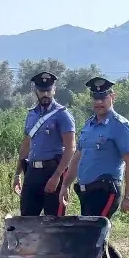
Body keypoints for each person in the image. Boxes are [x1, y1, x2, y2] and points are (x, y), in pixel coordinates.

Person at [61, 76, 129, 258]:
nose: (99, 102)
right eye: (95, 98)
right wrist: (65, 184)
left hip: (107, 190)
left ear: (112, 97)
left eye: (103, 97)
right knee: (96, 236)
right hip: (86, 191)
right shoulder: (89, 125)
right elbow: (77, 157)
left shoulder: (120, 126)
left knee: (92, 235)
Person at [12, 71, 76, 216]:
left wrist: (57, 175)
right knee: (27, 218)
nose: (45, 94)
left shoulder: (63, 115)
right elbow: (26, 145)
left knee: (54, 220)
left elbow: (71, 148)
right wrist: (17, 174)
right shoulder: (31, 114)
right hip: (32, 171)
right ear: (36, 91)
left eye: (48, 90)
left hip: (53, 170)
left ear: (54, 90)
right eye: (42, 91)